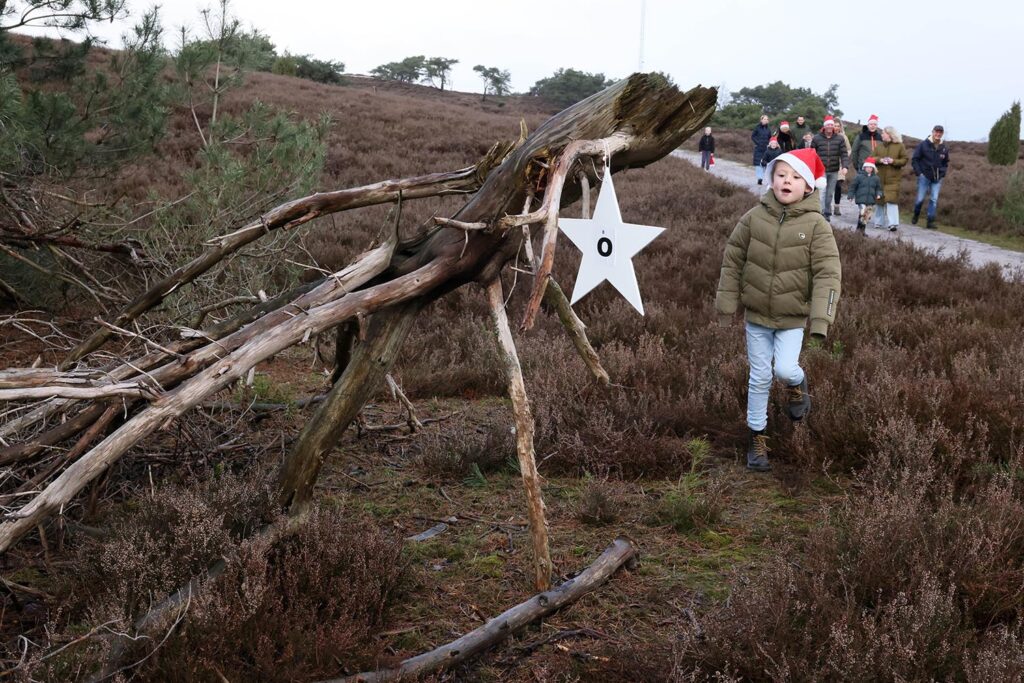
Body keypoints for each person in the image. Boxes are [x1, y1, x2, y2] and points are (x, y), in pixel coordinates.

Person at [715, 148, 842, 472]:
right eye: (782, 174)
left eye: (796, 176)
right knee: (759, 377)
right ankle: (757, 438)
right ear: (771, 179)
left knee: (784, 370)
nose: (787, 181)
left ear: (809, 186)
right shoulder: (753, 217)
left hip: (791, 320)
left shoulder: (817, 226)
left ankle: (797, 385)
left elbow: (829, 274)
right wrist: (727, 305)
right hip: (756, 317)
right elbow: (733, 259)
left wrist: (821, 319)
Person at [810, 115, 849, 222]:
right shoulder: (817, 138)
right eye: (828, 125)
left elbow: (844, 154)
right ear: (824, 126)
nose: (830, 127)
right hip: (821, 170)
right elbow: (811, 153)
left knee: (829, 194)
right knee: (821, 192)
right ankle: (821, 213)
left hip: (834, 170)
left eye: (831, 125)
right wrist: (811, 167)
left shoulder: (839, 139)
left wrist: (845, 166)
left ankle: (827, 213)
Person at [911, 125, 950, 229]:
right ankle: (916, 214)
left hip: (937, 178)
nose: (938, 134)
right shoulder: (923, 145)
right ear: (932, 132)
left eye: (940, 132)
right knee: (920, 199)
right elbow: (915, 159)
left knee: (934, 199)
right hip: (924, 176)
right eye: (936, 132)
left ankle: (930, 221)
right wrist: (919, 173)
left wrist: (942, 173)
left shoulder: (944, 148)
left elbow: (946, 163)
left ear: (942, 134)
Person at [871, 126, 908, 231]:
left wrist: (894, 161)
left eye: (883, 133)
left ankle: (893, 224)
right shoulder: (879, 147)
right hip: (879, 178)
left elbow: (905, 160)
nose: (881, 134)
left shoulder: (900, 146)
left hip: (893, 179)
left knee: (892, 201)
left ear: (890, 134)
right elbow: (871, 158)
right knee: (879, 201)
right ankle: (878, 222)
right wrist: (880, 160)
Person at [847, 157, 883, 232]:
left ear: (873, 168)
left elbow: (878, 188)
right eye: (868, 167)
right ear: (864, 167)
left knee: (866, 216)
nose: (869, 169)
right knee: (863, 212)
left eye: (871, 167)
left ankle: (861, 231)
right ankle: (859, 230)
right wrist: (850, 196)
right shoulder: (859, 176)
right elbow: (853, 187)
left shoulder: (876, 178)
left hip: (871, 200)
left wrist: (879, 194)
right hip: (861, 199)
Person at [832, 118, 854, 216]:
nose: (836, 128)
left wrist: (843, 156)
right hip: (828, 164)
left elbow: (849, 150)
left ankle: (837, 207)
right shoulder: (827, 136)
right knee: (827, 187)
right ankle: (826, 207)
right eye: (834, 126)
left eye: (838, 126)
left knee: (838, 186)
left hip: (840, 165)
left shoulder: (843, 137)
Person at [751, 114, 772, 185]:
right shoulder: (757, 128)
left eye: (767, 119)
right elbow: (753, 136)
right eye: (764, 119)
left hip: (766, 148)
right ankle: (759, 178)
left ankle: (763, 178)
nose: (765, 120)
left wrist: (770, 144)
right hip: (758, 148)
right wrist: (758, 143)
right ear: (761, 120)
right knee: (758, 164)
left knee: (764, 164)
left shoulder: (768, 129)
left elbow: (770, 138)